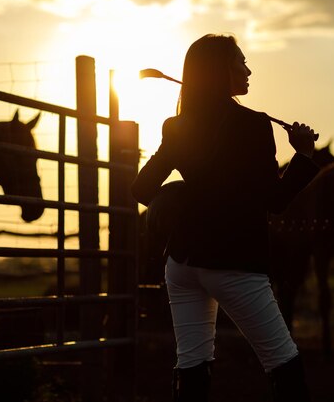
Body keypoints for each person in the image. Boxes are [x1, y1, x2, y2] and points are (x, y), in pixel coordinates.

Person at [131, 33, 319, 402]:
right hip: (235, 265)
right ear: (221, 71)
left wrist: (181, 193)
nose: (249, 70)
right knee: (284, 362)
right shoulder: (253, 125)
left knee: (192, 366)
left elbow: (141, 188)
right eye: (240, 63)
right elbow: (275, 200)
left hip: (181, 264)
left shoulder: (177, 125)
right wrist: (304, 156)